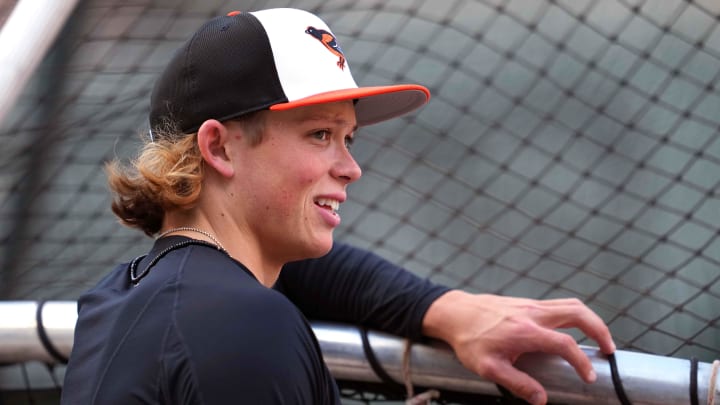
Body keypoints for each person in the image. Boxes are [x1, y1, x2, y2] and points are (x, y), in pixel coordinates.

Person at [61, 7, 615, 405]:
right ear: (218, 147)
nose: (351, 168)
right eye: (321, 135)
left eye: (348, 139)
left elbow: (312, 278)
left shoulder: (122, 294)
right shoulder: (246, 323)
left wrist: (444, 310)